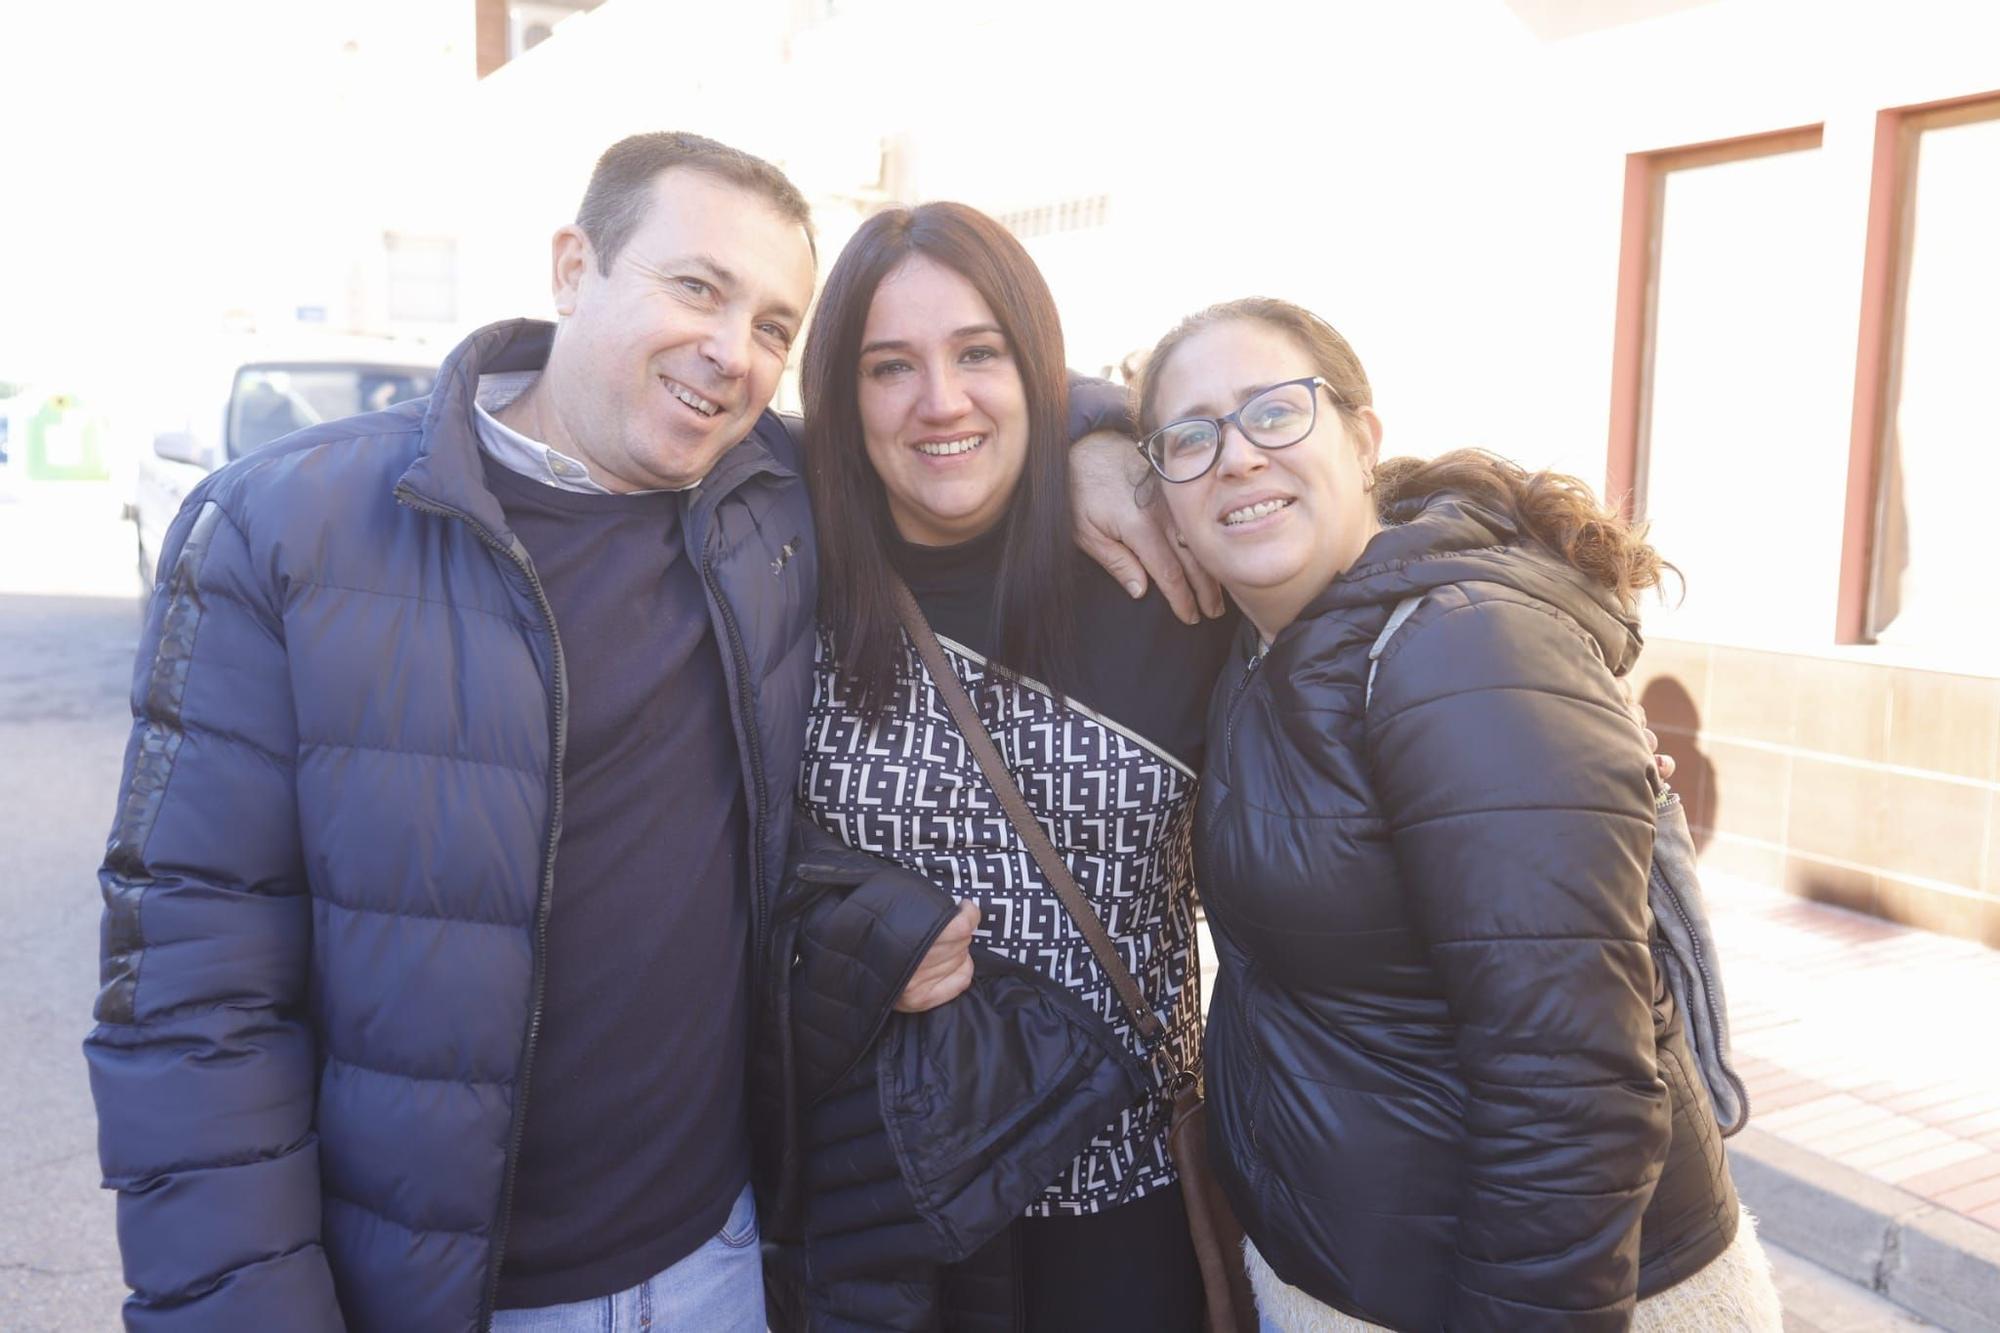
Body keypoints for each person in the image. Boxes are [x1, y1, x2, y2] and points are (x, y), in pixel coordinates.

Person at [82, 132, 1175, 1333]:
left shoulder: (764, 495)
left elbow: (954, 402)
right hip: (438, 1292)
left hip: (723, 1264)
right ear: (570, 268)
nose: (729, 349)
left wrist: (1102, 439)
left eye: (771, 325)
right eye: (695, 286)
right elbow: (192, 1000)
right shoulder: (287, 529)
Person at [1136, 298, 1782, 1332]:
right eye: (1191, 434)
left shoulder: (1459, 650)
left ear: (1361, 439)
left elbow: (1568, 1083)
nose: (1236, 456)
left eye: (1272, 413)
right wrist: (1089, 443)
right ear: (1161, 491)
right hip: (1351, 1278)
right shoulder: (1264, 644)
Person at [764, 201, 1238, 1330]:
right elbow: (705, 870)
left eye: (979, 352)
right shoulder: (783, 582)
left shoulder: (1161, 576)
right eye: (890, 367)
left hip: (1128, 1210)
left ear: (1034, 364)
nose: (941, 400)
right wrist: (846, 937)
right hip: (882, 1216)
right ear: (839, 396)